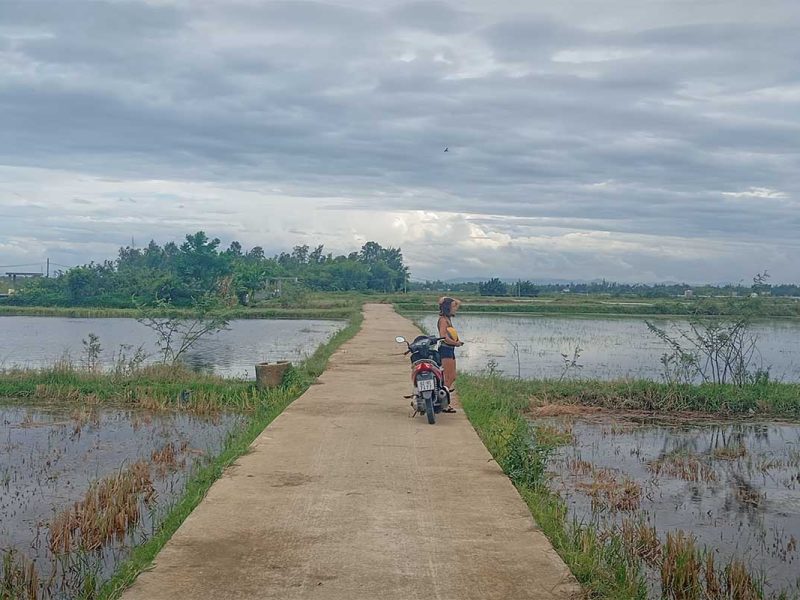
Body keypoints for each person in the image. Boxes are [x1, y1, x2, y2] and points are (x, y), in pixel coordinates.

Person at [437, 297, 463, 412]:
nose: (455, 308)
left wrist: (446, 299)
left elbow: (458, 302)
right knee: (448, 378)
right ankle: (444, 404)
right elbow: (444, 337)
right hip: (446, 350)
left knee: (452, 377)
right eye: (452, 306)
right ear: (448, 308)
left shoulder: (447, 318)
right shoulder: (443, 320)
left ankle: (443, 401)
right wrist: (456, 343)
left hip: (450, 350)